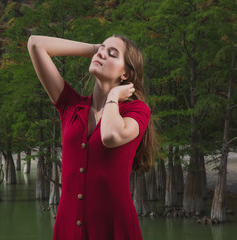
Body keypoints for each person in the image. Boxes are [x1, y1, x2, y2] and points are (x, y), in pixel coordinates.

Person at [27, 34, 156, 240]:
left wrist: (113, 96)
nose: (102, 54)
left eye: (112, 54)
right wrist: (94, 48)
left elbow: (111, 136)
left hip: (114, 228)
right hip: (68, 226)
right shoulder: (70, 105)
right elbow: (35, 43)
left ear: (125, 74)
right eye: (101, 50)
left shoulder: (137, 110)